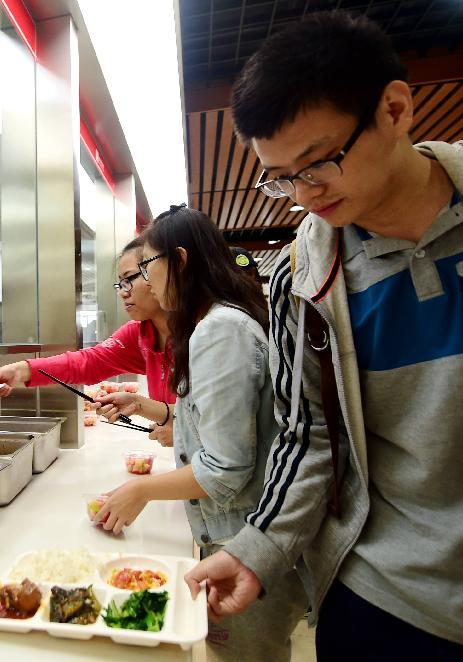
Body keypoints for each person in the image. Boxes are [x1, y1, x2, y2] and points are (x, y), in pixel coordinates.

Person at [183, 12, 463, 662]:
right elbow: (308, 436)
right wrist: (256, 549)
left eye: (318, 163)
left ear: (396, 108)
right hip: (375, 597)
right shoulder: (302, 275)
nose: (303, 194)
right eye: (280, 176)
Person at [94, 206, 307, 662]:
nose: (146, 284)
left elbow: (226, 468)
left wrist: (141, 490)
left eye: (148, 268)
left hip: (242, 534)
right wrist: (162, 410)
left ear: (182, 261)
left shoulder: (218, 331)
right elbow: (226, 422)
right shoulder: (220, 322)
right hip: (240, 530)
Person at [0, 236, 176, 446]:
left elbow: (211, 420)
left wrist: (181, 429)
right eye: (120, 283)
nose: (123, 292)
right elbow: (88, 361)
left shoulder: (204, 333)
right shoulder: (140, 333)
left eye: (130, 278)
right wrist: (22, 370)